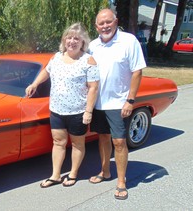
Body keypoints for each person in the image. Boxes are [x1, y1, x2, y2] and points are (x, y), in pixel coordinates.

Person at [25, 23, 99, 188]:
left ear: (82, 42)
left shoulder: (88, 60)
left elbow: (93, 87)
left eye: (76, 38)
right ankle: (56, 175)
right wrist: (34, 84)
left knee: (77, 144)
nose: (72, 41)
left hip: (78, 112)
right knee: (58, 142)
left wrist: (88, 111)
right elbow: (46, 71)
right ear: (64, 39)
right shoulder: (57, 57)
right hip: (57, 110)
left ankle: (73, 173)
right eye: (69, 37)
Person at [87, 9, 146, 200]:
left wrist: (130, 100)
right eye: (101, 23)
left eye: (108, 22)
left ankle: (121, 181)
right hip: (98, 103)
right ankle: (105, 172)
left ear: (116, 21)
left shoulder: (129, 41)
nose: (105, 26)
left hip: (119, 102)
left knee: (119, 141)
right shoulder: (93, 46)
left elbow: (137, 72)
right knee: (103, 137)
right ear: (96, 27)